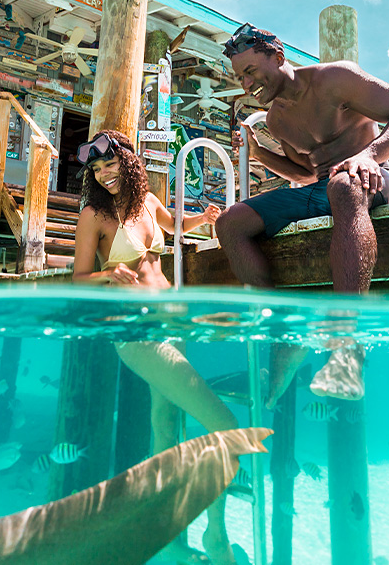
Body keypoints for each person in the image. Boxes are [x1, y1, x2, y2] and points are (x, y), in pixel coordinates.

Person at [215, 24, 389, 408]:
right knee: (230, 222)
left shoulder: (334, 78)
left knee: (343, 185)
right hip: (324, 187)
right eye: (239, 77)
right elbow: (306, 174)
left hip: (374, 179)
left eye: (249, 71)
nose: (246, 85)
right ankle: (282, 336)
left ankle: (348, 345)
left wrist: (368, 155)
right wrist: (259, 152)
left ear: (278, 58)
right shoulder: (277, 121)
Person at [73, 130, 240, 565]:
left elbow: (174, 226)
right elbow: (78, 280)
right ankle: (215, 536)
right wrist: (110, 276)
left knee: (166, 429)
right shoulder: (93, 215)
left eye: (110, 165)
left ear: (128, 162)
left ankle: (166, 531)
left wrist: (203, 220)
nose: (104, 175)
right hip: (136, 333)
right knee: (224, 424)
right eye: (96, 169)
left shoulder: (147, 200)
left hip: (173, 323)